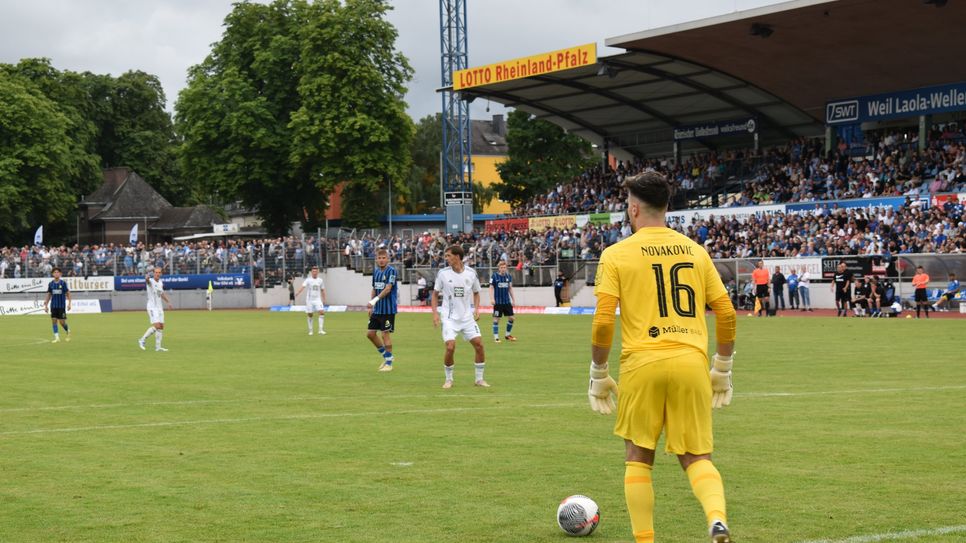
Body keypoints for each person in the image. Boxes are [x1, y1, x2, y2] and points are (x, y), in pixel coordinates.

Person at [588, 171, 736, 543]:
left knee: (638, 455)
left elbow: (604, 321)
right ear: (665, 207)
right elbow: (728, 313)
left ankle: (645, 540)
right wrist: (722, 367)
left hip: (642, 364)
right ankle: (716, 518)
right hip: (691, 361)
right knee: (697, 457)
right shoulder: (695, 251)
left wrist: (598, 372)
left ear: (634, 209)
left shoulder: (616, 254)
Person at [432, 245, 488, 389]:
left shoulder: (471, 273)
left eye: (448, 256)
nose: (446, 258)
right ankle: (449, 379)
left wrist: (476, 309)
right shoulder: (443, 274)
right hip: (449, 318)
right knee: (450, 347)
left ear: (457, 257)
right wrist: (435, 314)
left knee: (479, 345)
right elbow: (435, 294)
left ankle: (479, 379)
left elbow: (476, 292)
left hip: (467, 318)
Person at [367, 248, 397, 372]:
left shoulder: (392, 271)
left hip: (388, 310)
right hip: (377, 309)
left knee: (385, 334)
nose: (381, 260)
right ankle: (387, 356)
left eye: (384, 258)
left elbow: (388, 289)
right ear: (376, 260)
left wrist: (374, 301)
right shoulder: (376, 272)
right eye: (379, 258)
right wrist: (372, 305)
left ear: (388, 259)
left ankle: (389, 364)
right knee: (370, 334)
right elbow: (374, 288)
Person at [138, 266, 174, 351]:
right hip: (152, 307)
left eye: (159, 272)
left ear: (161, 273)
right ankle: (142, 339)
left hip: (159, 307)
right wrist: (146, 278)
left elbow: (161, 293)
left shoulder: (160, 282)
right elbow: (147, 281)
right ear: (154, 273)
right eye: (156, 272)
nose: (157, 274)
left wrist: (168, 302)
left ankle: (158, 347)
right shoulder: (150, 281)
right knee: (157, 325)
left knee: (161, 327)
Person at [489, 260, 517, 342]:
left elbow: (510, 288)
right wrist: (492, 299)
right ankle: (496, 338)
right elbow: (491, 288)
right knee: (496, 319)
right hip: (498, 302)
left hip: (507, 302)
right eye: (501, 268)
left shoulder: (508, 276)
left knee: (511, 318)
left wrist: (513, 300)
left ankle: (507, 335)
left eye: (504, 267)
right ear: (499, 268)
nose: (503, 269)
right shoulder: (494, 276)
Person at [295, 265, 327, 334]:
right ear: (311, 272)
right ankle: (311, 330)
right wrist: (298, 292)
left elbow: (323, 290)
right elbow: (303, 286)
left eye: (316, 271)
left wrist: (324, 299)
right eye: (313, 271)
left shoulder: (320, 280)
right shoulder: (308, 280)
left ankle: (320, 330)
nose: (314, 273)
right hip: (309, 300)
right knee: (310, 314)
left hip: (318, 299)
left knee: (321, 312)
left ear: (317, 272)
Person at [43, 267, 71, 343]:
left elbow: (68, 293)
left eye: (57, 272)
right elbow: (49, 294)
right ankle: (57, 337)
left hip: (61, 306)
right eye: (55, 272)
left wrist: (69, 304)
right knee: (54, 321)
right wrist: (46, 305)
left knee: (62, 322)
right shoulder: (51, 284)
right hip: (53, 306)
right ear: (52, 274)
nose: (56, 273)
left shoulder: (63, 283)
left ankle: (68, 331)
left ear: (60, 274)